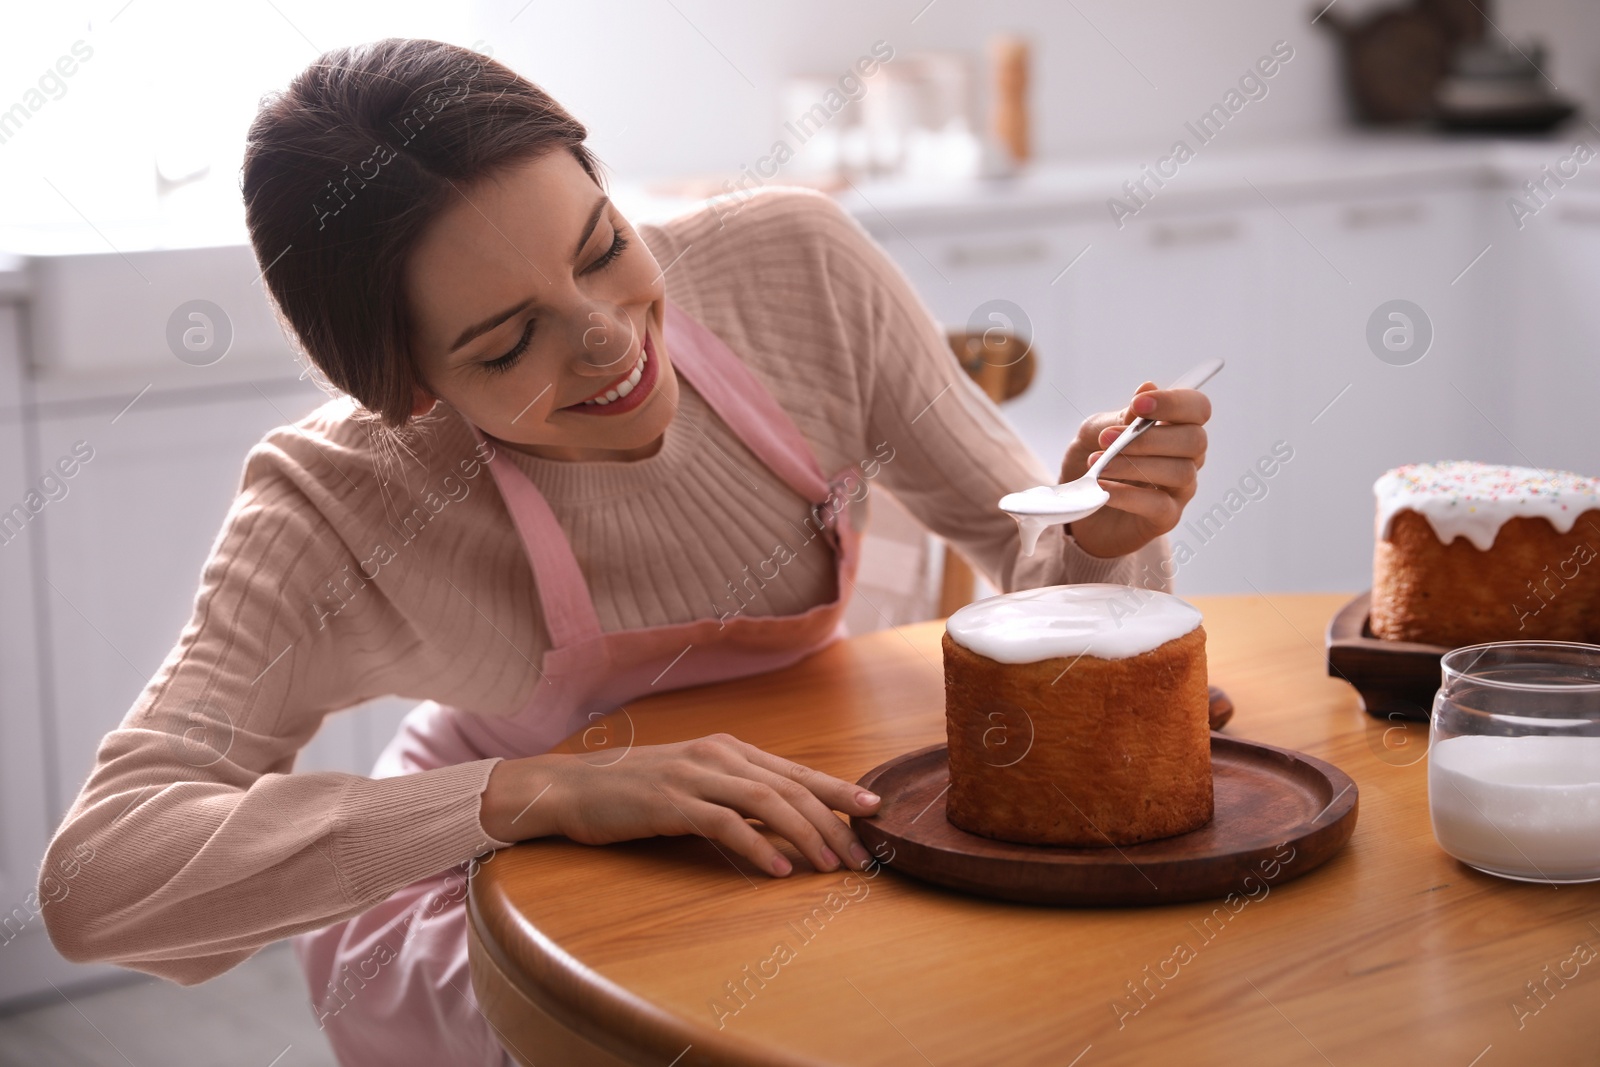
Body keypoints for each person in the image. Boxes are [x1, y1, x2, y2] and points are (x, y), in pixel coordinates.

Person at [38, 38, 1210, 1067]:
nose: (609, 344)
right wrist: (541, 790)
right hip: (495, 902)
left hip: (794, 823)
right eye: (508, 345)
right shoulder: (338, 501)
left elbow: (1028, 554)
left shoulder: (796, 264)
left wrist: (1102, 542)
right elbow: (98, 878)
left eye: (603, 247)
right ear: (403, 389)